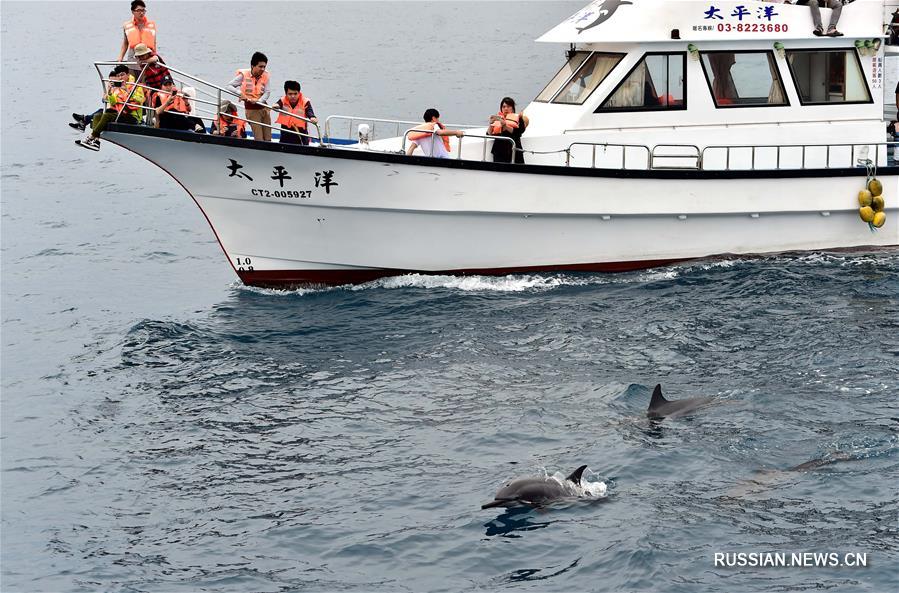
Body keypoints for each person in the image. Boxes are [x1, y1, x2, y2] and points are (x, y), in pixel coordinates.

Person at [76, 65, 145, 151]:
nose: (120, 77)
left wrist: (127, 90)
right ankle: (96, 141)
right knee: (97, 116)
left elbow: (141, 99)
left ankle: (90, 138)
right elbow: (113, 102)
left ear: (128, 74)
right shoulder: (118, 87)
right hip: (119, 113)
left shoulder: (136, 86)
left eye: (122, 75)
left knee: (107, 116)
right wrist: (110, 93)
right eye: (118, 75)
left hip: (133, 117)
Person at [228, 52, 271, 141]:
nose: (262, 69)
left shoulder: (265, 75)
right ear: (252, 66)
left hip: (264, 108)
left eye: (264, 67)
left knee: (268, 137)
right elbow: (229, 86)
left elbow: (267, 92)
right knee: (259, 138)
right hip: (252, 110)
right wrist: (240, 93)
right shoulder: (243, 75)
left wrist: (259, 101)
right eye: (260, 66)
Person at [272, 81, 318, 145]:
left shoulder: (305, 101)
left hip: (300, 133)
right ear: (286, 93)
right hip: (286, 132)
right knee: (283, 144)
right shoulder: (282, 100)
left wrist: (312, 117)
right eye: (290, 94)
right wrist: (276, 105)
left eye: (295, 94)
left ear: (299, 93)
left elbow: (309, 111)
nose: (293, 96)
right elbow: (278, 104)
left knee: (303, 145)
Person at [487, 97, 529, 164]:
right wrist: (491, 124)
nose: (506, 109)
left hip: (514, 152)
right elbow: (489, 134)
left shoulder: (518, 118)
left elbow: (519, 131)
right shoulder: (498, 118)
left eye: (508, 106)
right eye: (503, 107)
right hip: (499, 152)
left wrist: (505, 126)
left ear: (512, 108)